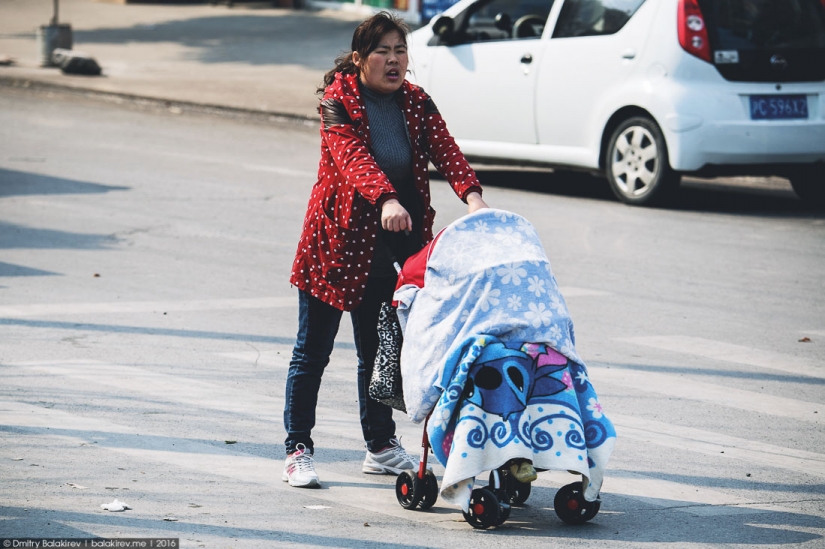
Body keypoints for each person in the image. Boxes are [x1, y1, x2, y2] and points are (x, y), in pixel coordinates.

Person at [283, 11, 489, 488]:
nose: (394, 61)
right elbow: (352, 158)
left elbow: (447, 150)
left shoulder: (416, 102)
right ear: (360, 59)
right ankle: (298, 448)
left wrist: (473, 195)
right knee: (311, 354)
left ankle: (379, 444)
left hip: (393, 249)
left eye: (401, 51)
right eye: (383, 52)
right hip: (336, 245)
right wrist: (387, 197)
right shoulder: (338, 102)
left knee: (379, 354)